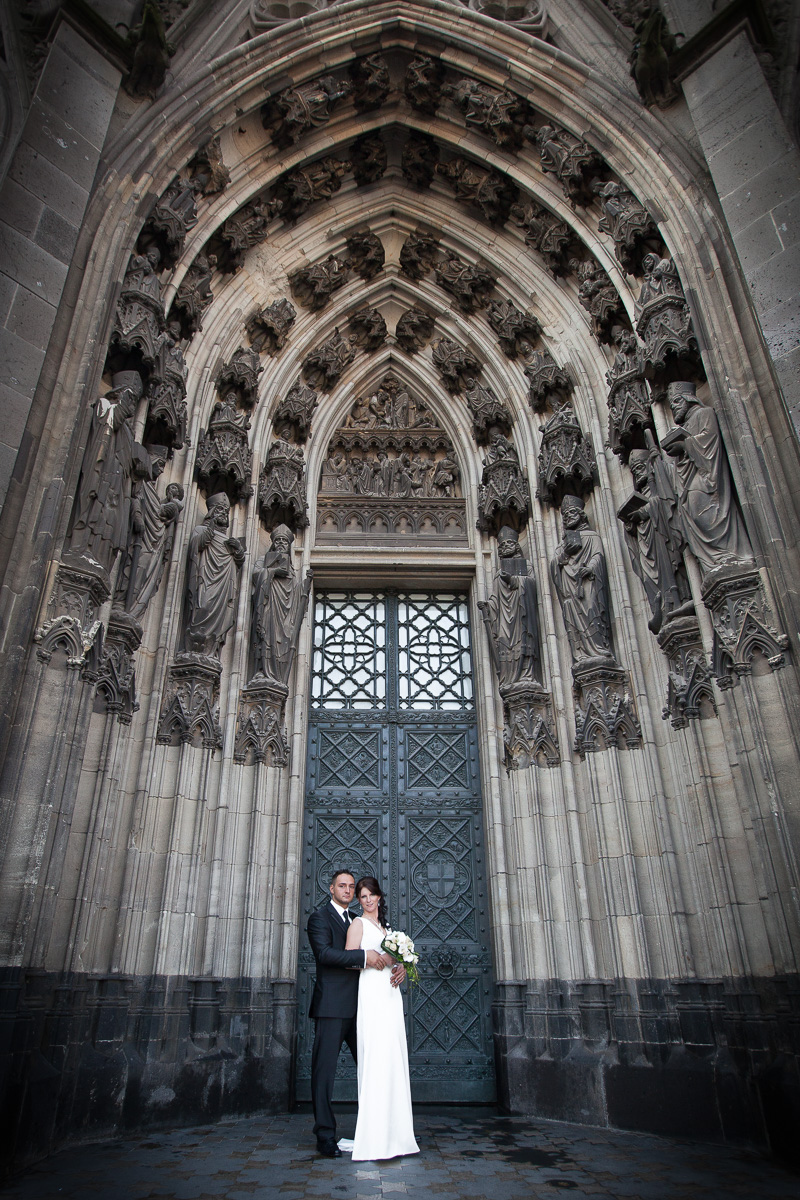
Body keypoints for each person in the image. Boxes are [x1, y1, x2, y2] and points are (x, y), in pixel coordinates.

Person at [307, 871, 401, 1158]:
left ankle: (388, 1131)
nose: (348, 890)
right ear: (331, 888)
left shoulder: (360, 920)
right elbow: (324, 954)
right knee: (325, 1073)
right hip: (333, 1008)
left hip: (365, 1008)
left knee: (376, 1069)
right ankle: (325, 1135)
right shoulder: (320, 918)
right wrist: (365, 956)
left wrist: (397, 964)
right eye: (342, 886)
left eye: (352, 887)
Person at [345, 877, 419, 1162]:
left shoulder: (386, 928)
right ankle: (375, 1136)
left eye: (370, 895)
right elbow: (349, 958)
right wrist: (371, 958)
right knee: (376, 1058)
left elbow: (398, 959)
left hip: (390, 997)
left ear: (378, 896)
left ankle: (397, 1134)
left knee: (392, 1059)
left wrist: (401, 967)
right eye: (362, 896)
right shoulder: (358, 925)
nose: (366, 900)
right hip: (372, 996)